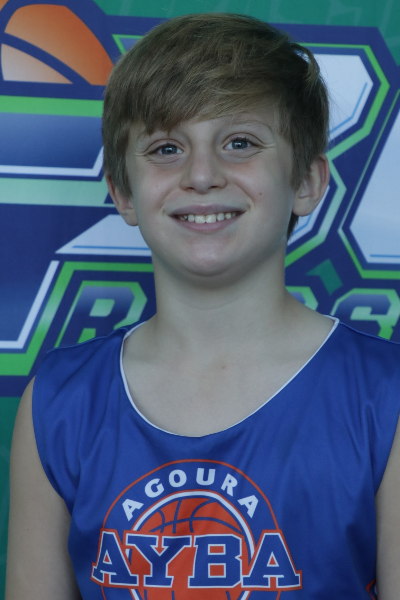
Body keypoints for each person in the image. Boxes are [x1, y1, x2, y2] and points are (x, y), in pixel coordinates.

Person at [6, 13, 400, 600]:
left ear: (306, 182)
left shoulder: (385, 397)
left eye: (240, 143)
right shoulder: (60, 402)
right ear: (123, 191)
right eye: (166, 148)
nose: (201, 175)